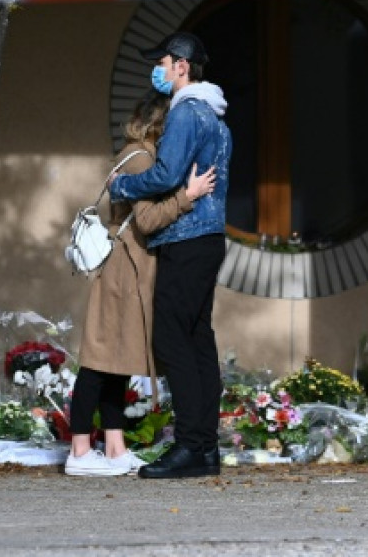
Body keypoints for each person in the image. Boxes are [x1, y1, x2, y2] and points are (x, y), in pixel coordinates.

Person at [65, 94, 216, 477]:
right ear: (161, 126)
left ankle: (114, 448)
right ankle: (80, 449)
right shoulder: (145, 158)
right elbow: (146, 220)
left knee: (117, 359)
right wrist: (188, 197)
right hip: (125, 269)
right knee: (99, 361)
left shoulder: (134, 153)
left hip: (126, 267)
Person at [109, 31, 232, 480]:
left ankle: (188, 448)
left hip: (186, 238)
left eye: (160, 62)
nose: (156, 71)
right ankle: (204, 449)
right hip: (209, 238)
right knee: (198, 342)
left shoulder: (187, 114)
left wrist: (121, 185)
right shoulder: (217, 118)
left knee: (171, 340)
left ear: (181, 65)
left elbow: (164, 175)